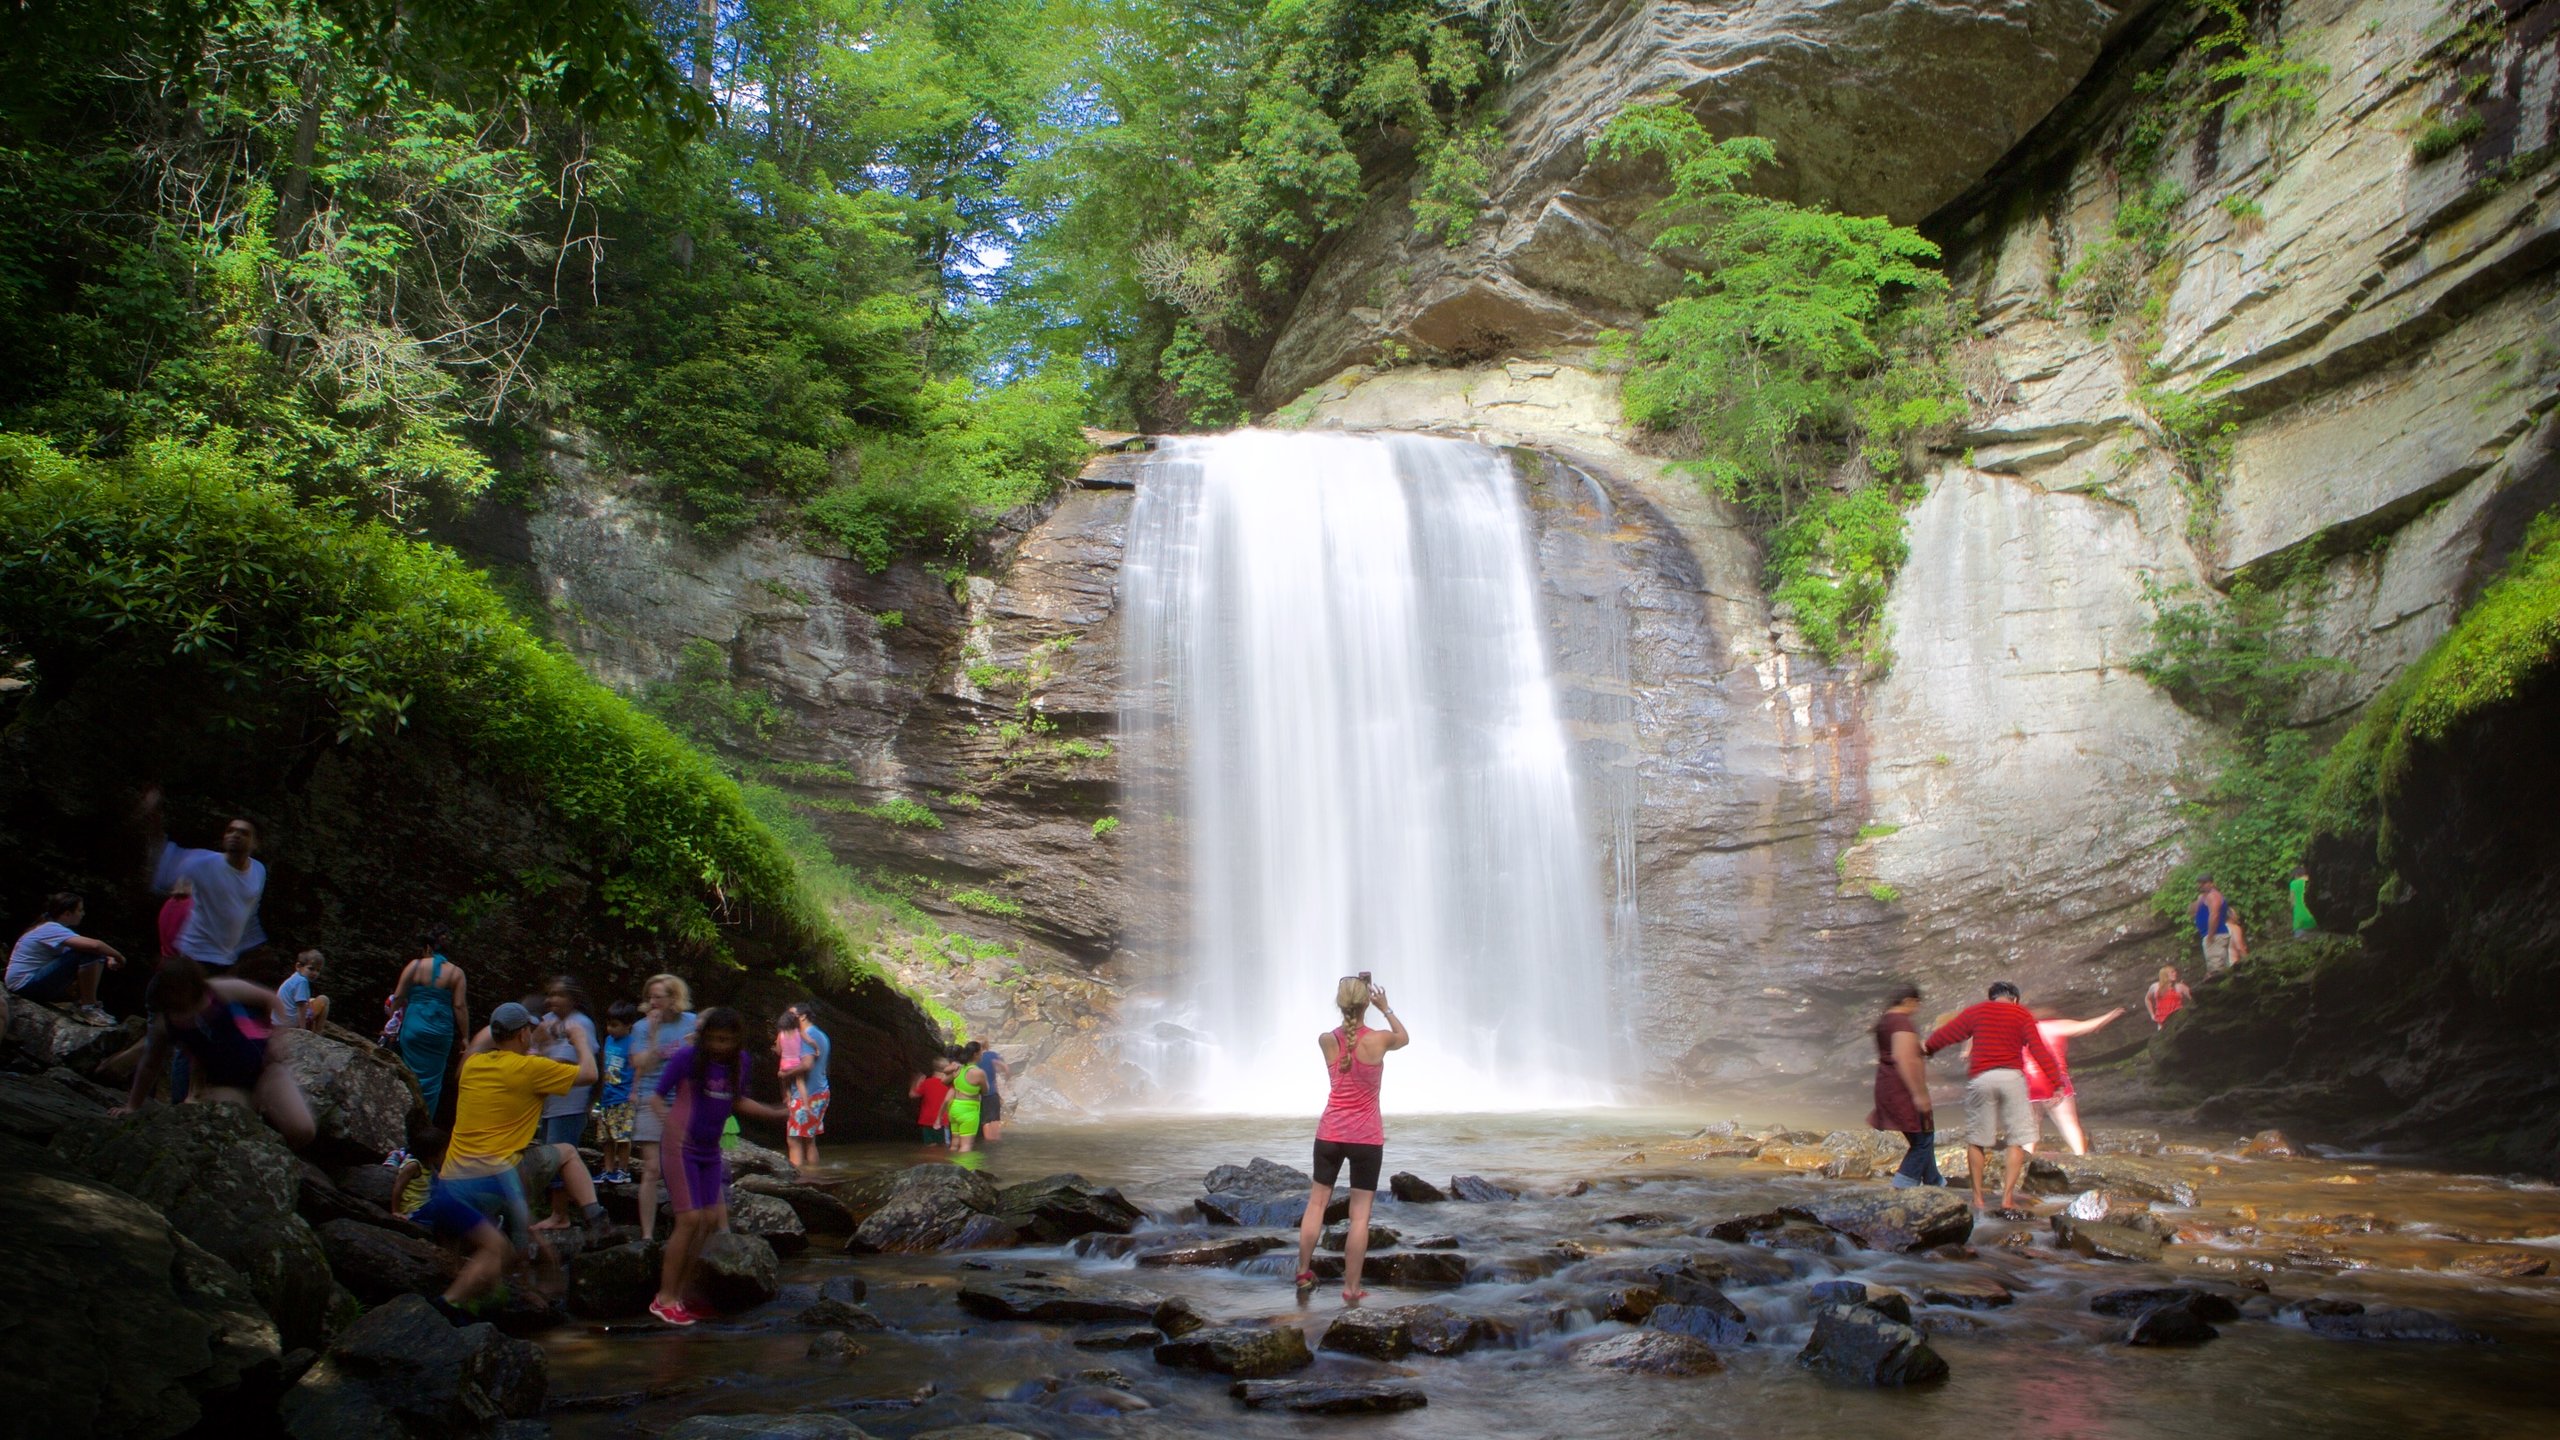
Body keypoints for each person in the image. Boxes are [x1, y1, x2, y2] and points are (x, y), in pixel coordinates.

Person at [410, 1002, 609, 1323]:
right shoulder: (531, 1070)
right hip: (495, 1178)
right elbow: (589, 1073)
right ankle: (595, 1217)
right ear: (521, 1035)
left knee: (501, 1244)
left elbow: (483, 1048)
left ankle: (486, 1301)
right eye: (528, 1029)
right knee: (567, 1153)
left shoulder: (473, 1066)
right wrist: (580, 1040)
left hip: (448, 1183)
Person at [648, 1007, 785, 1326]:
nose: (720, 1045)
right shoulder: (687, 1058)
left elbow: (736, 1101)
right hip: (680, 1148)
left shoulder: (741, 1062)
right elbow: (656, 1096)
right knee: (690, 1218)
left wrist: (776, 1113)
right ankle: (663, 1298)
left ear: (737, 1040)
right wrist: (670, 1124)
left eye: (726, 1040)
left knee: (708, 1220)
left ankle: (680, 1295)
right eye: (714, 1039)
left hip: (710, 1151)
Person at [1292, 974, 1409, 1307]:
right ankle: (1352, 1289)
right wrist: (1385, 1008)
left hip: (1329, 1134)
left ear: (1340, 1003)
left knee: (1316, 1204)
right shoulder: (1379, 1040)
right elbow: (1405, 1037)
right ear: (1365, 1004)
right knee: (1360, 1217)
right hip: (1366, 1139)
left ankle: (1303, 1271)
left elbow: (1345, 1040)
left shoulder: (1326, 1040)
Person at [116, 956, 316, 1148]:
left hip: (265, 1070)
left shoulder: (220, 989)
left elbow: (271, 999)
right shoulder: (166, 1023)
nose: (180, 997)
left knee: (303, 1130)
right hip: (224, 1085)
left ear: (194, 984)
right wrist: (133, 1105)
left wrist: (275, 1037)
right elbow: (150, 1065)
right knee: (232, 1132)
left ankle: (283, 1156)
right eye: (173, 993)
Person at [1922, 981, 2064, 1216]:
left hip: (1982, 1078)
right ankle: (2007, 1199)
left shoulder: (1976, 1011)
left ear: (1992, 998)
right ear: (2015, 999)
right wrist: (2056, 1083)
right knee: (2016, 1140)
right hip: (2011, 1078)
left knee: (1977, 1140)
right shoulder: (2022, 1014)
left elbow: (1949, 1034)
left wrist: (1928, 1048)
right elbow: (2039, 1049)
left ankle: (1977, 1199)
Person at [143, 788, 268, 971]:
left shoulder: (259, 870)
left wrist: (255, 946)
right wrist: (154, 818)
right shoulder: (204, 863)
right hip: (195, 956)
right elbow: (162, 855)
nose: (235, 835)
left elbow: (248, 911)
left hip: (228, 959)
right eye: (230, 831)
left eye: (243, 832)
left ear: (255, 843)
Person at [628, 973, 698, 1243]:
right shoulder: (641, 1028)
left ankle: (684, 1227)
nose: (653, 1001)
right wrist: (655, 1036)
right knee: (651, 1168)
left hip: (685, 1099)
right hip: (651, 1097)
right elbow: (639, 1063)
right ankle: (647, 1235)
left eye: (659, 996)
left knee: (682, 1164)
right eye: (650, 996)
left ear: (674, 998)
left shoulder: (692, 1022)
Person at [2021, 1006, 2125, 1157]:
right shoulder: (2057, 1025)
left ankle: (2025, 1158)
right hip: (2055, 1081)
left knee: (2030, 1125)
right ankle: (2080, 1156)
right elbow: (2086, 1026)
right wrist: (2108, 1016)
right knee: (2068, 1122)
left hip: (2030, 1083)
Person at [7, 892, 124, 1023]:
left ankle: (87, 1004)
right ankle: (88, 1007)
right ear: (67, 914)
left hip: (25, 984)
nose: (83, 914)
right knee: (90, 952)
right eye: (80, 910)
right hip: (25, 985)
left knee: (92, 952)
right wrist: (119, 956)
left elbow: (95, 947)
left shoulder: (52, 928)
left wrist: (109, 957)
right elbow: (95, 945)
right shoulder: (50, 928)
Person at [1866, 982, 1939, 1188]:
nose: (1917, 1009)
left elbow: (1900, 1050)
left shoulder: (1885, 1021)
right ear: (1908, 1001)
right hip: (1901, 1088)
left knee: (1924, 1138)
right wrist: (1919, 1094)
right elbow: (1904, 1058)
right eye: (1916, 1004)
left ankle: (1935, 1183)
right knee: (1922, 1140)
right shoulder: (1900, 1022)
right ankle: (1902, 1187)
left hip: (1886, 1085)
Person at [393, 926, 468, 1121]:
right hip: (440, 1031)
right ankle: (422, 1129)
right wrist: (465, 1037)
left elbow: (399, 996)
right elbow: (459, 1006)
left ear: (428, 948)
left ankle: (402, 1122)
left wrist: (392, 1020)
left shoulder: (415, 966)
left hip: (414, 1026)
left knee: (407, 1073)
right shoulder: (456, 973)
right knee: (433, 1081)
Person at [778, 1004, 831, 1169]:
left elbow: (807, 1064)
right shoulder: (821, 1035)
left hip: (806, 1095)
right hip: (821, 1092)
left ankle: (798, 1181)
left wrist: (785, 1075)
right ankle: (813, 1177)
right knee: (809, 1140)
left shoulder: (804, 1035)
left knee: (793, 1140)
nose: (788, 1016)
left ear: (802, 1016)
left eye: (792, 1013)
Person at [594, 1001, 639, 1183]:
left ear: (628, 1025)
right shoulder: (609, 1040)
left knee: (622, 1136)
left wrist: (635, 1093)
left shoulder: (633, 1044)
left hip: (623, 1096)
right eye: (608, 1024)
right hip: (606, 1096)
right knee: (606, 1137)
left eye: (615, 1025)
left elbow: (638, 1070)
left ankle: (623, 1170)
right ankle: (608, 1169)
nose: (610, 1029)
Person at [947, 1042, 988, 1154]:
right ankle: (964, 1170)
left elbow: (945, 1079)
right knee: (966, 1146)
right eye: (981, 1053)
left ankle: (949, 1168)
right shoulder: (979, 1072)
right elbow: (985, 1091)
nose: (982, 1055)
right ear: (975, 1054)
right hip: (968, 1111)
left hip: (954, 1109)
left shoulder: (959, 1069)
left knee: (954, 1144)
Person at [276, 948, 330, 1030]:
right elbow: (301, 1006)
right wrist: (302, 1030)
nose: (315, 973)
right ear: (298, 966)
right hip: (291, 1023)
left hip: (279, 1022)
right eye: (311, 969)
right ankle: (318, 1034)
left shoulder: (295, 977)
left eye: (318, 970)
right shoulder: (302, 981)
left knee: (312, 1000)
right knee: (324, 1000)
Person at [910, 1057, 958, 1146]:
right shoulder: (949, 1084)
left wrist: (917, 1080)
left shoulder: (926, 1082)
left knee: (929, 1148)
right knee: (944, 1148)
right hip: (942, 1121)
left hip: (926, 1120)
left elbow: (912, 1094)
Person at [2194, 879, 2233, 975]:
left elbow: (2214, 915)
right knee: (2219, 967)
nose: (2201, 886)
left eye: (2204, 883)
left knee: (2216, 970)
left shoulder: (2213, 895)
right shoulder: (2204, 897)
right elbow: (2192, 911)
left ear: (2211, 883)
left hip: (2215, 935)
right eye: (2200, 884)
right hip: (2211, 935)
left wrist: (2211, 935)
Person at [974, 1043, 1011, 1143]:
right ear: (987, 1045)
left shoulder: (974, 1059)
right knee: (994, 1119)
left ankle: (987, 1140)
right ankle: (996, 1140)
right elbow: (1005, 1068)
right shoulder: (992, 1055)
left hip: (977, 1094)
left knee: (985, 1120)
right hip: (992, 1092)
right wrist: (1007, 1079)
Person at [2291, 866, 2316, 936]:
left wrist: (2292, 905)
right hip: (2303, 907)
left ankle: (2298, 936)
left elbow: (2292, 897)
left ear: (2295, 875)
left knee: (2298, 925)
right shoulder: (2303, 881)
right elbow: (2307, 877)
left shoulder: (2293, 883)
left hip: (2297, 908)